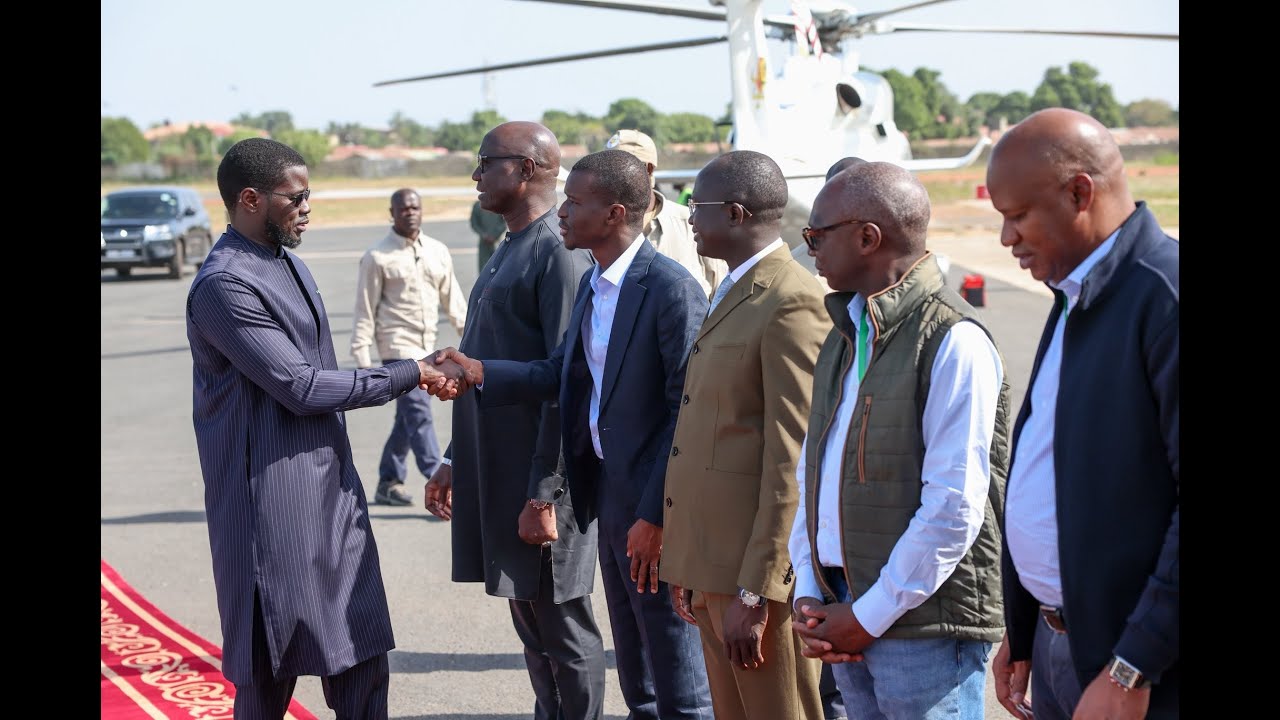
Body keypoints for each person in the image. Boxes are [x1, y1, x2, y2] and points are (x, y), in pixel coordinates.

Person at [434, 149, 715, 719]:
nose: (561, 211)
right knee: (639, 677)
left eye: (576, 202)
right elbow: (558, 375)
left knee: (678, 681)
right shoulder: (596, 285)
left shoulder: (668, 288)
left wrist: (656, 514)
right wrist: (481, 371)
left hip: (650, 506)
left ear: (614, 213)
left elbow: (687, 412)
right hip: (607, 496)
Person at [185, 137, 457, 719]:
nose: (308, 208)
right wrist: (410, 372)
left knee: (362, 662)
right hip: (269, 510)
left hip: (330, 497)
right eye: (297, 197)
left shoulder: (289, 265)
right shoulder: (224, 286)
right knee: (266, 678)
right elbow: (303, 386)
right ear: (251, 199)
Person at [787, 160, 1012, 719]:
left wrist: (869, 615)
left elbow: (954, 507)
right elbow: (812, 475)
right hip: (845, 605)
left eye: (817, 235)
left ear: (868, 237)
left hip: (922, 624)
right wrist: (811, 592)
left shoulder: (952, 339)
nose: (809, 247)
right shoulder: (844, 334)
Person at [984, 108, 1179, 719]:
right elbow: (1048, 466)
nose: (1006, 238)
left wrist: (1132, 667)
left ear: (1079, 192)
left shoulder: (1163, 299)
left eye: (1018, 216)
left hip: (1138, 671)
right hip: (1058, 647)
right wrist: (1025, 624)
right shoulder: (1075, 294)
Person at [421, 121, 604, 720]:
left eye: (485, 163)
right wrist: (453, 458)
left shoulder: (557, 251)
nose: (475, 175)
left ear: (525, 169)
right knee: (530, 621)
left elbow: (565, 382)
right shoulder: (511, 245)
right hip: (498, 471)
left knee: (564, 630)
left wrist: (544, 494)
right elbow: (484, 359)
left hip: (540, 481)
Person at [659, 150, 828, 720]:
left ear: (734, 214)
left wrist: (758, 590)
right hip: (713, 565)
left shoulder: (790, 299)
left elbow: (793, 456)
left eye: (695, 207)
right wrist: (690, 564)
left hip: (754, 578)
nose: (688, 218)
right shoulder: (735, 287)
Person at [351, 188, 467, 507]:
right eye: (403, 209)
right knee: (418, 411)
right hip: (396, 347)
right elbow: (365, 309)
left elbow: (453, 300)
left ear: (422, 210)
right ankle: (439, 480)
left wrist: (470, 339)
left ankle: (389, 479)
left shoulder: (437, 251)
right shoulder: (378, 256)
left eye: (415, 207)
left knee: (407, 416)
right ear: (392, 213)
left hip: (427, 347)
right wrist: (362, 357)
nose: (410, 213)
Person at [606, 128, 728, 296]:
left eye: (619, 168)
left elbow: (720, 293)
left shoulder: (691, 224)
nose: (609, 177)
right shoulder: (597, 226)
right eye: (606, 170)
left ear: (648, 169)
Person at [470, 198, 507, 272]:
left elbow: (504, 222)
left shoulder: (500, 204)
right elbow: (474, 223)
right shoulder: (477, 205)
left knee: (499, 267)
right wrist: (484, 235)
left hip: (497, 241)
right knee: (484, 268)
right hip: (484, 242)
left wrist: (494, 235)